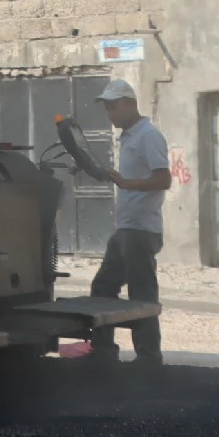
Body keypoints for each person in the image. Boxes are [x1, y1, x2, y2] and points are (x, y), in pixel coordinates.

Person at [84, 76, 169, 367]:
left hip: (141, 230)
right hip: (127, 228)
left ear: (131, 104)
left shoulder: (148, 136)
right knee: (103, 287)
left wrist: (127, 183)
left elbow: (163, 178)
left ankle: (149, 358)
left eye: (114, 107)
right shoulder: (131, 137)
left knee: (141, 295)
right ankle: (103, 351)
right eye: (107, 109)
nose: (110, 114)